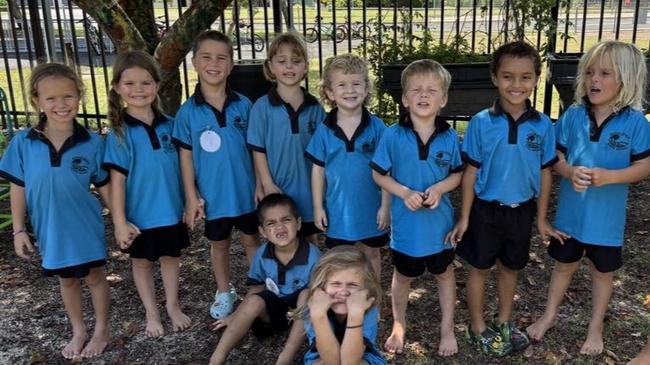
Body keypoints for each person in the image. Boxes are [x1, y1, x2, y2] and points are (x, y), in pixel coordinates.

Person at [526, 40, 650, 355]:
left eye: (605, 73)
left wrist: (611, 177)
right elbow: (555, 156)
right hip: (570, 217)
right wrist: (568, 172)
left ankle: (595, 327)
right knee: (563, 266)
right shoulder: (573, 115)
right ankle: (549, 314)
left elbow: (644, 165)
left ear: (626, 79)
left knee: (602, 272)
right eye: (591, 72)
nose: (595, 80)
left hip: (606, 223)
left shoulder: (635, 122)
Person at [446, 41, 559, 357]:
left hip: (521, 212)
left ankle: (505, 320)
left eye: (525, 77)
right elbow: (470, 173)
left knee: (511, 268)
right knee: (479, 268)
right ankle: (478, 325)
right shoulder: (482, 122)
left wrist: (540, 218)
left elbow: (546, 173)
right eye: (508, 76)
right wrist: (465, 217)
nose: (516, 85)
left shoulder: (542, 125)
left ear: (536, 79)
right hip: (485, 210)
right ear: (495, 77)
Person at [0, 63, 111, 359]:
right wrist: (19, 230)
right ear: (37, 100)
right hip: (51, 228)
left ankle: (101, 329)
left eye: (68, 96)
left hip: (85, 225)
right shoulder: (23, 143)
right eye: (51, 98)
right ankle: (79, 330)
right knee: (67, 279)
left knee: (95, 277)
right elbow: (18, 187)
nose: (61, 104)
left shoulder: (92, 142)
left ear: (80, 96)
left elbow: (103, 185)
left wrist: (122, 220)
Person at [371, 59, 463, 357]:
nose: (424, 95)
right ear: (405, 98)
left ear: (444, 98)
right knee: (402, 276)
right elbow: (378, 174)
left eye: (432, 90)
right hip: (406, 227)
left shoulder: (449, 137)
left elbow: (457, 174)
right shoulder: (392, 135)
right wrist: (404, 192)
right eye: (416, 90)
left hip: (440, 226)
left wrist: (439, 188)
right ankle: (399, 324)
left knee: (444, 274)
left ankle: (447, 327)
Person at [172, 30, 260, 320]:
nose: (214, 63)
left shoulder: (244, 105)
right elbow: (185, 157)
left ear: (231, 65)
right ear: (195, 61)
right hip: (213, 195)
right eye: (207, 57)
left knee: (251, 239)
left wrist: (260, 184)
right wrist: (190, 196)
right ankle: (224, 291)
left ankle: (257, 290)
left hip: (246, 192)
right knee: (219, 244)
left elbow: (256, 150)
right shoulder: (187, 113)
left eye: (221, 57)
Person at [103, 50, 191, 337]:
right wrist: (119, 222)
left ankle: (172, 306)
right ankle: (152, 313)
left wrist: (192, 199)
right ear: (117, 87)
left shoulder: (170, 125)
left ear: (157, 84)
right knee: (141, 263)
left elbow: (184, 168)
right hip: (139, 215)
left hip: (170, 209)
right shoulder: (119, 132)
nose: (138, 90)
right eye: (130, 84)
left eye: (146, 82)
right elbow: (116, 181)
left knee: (170, 258)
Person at [209, 193, 321, 365]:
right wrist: (235, 316)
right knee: (254, 301)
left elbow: (319, 299)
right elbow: (256, 289)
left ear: (298, 223)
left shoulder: (313, 256)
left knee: (307, 295)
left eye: (286, 220)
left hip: (305, 318)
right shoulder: (262, 254)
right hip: (274, 313)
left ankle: (285, 358)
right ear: (262, 231)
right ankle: (218, 356)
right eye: (271, 223)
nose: (280, 227)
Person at [305, 54, 390, 278]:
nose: (349, 90)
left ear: (366, 88)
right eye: (342, 84)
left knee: (371, 254)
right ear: (330, 92)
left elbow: (388, 170)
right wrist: (317, 207)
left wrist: (386, 206)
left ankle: (374, 300)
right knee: (341, 258)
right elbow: (318, 170)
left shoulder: (378, 128)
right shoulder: (324, 130)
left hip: (371, 209)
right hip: (338, 211)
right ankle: (346, 303)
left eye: (356, 84)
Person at [247, 32, 327, 244]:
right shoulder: (261, 107)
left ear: (306, 66)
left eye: (296, 61)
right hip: (278, 185)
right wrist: (266, 183)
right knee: (283, 240)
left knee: (310, 237)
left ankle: (312, 277)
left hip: (309, 187)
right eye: (282, 61)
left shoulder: (315, 108)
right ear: (271, 66)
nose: (289, 67)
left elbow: (324, 151)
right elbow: (258, 149)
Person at [294, 245, 387, 365]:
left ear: (365, 288)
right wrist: (319, 316)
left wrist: (355, 315)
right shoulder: (315, 308)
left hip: (362, 358)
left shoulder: (367, 309)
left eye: (352, 285)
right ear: (322, 286)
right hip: (322, 357)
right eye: (336, 284)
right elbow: (331, 361)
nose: (343, 292)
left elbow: (350, 362)